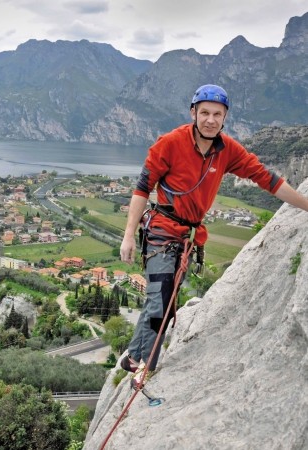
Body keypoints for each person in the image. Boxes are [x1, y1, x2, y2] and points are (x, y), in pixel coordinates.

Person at [119, 84, 308, 380]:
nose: (210, 119)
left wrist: (306, 205)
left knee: (165, 300)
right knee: (160, 299)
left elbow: (268, 180)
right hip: (161, 230)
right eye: (204, 112)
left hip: (187, 237)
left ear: (225, 117)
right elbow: (142, 188)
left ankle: (133, 356)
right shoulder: (169, 143)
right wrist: (129, 235)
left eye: (217, 114)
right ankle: (144, 365)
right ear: (193, 113)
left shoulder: (227, 151)